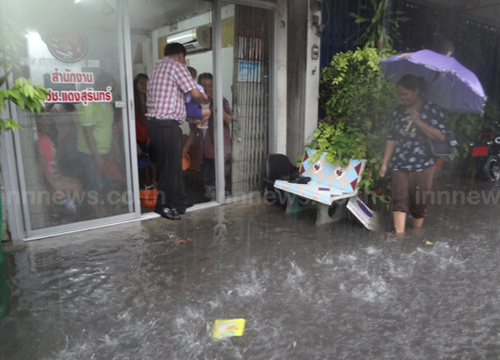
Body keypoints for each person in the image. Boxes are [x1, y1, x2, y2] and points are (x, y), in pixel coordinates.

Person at [379, 74, 449, 234]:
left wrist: (419, 122)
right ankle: (400, 238)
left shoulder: (431, 110)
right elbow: (392, 137)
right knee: (399, 200)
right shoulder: (399, 112)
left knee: (419, 202)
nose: (402, 97)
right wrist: (385, 162)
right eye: (400, 94)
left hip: (423, 164)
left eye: (405, 93)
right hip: (400, 163)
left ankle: (417, 234)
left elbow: (440, 136)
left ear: (416, 91)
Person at [146, 42, 208, 220]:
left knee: (173, 164)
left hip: (157, 124)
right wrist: (202, 98)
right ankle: (162, 205)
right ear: (181, 56)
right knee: (170, 168)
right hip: (166, 125)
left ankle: (181, 200)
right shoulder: (177, 67)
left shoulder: (157, 69)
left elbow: (169, 99)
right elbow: (195, 94)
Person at [197, 72, 233, 200]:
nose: (207, 88)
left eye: (211, 85)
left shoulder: (222, 100)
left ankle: (222, 200)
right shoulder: (197, 102)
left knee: (221, 175)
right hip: (203, 148)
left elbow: (229, 120)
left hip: (219, 147)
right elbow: (193, 125)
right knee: (207, 177)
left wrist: (217, 105)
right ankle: (211, 202)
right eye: (204, 85)